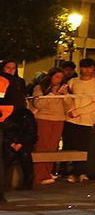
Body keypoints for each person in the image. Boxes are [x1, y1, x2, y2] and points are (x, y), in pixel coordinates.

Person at [62, 59, 95, 182]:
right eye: (84, 67)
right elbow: (66, 99)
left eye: (89, 68)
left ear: (93, 69)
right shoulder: (73, 82)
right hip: (70, 119)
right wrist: (70, 108)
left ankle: (80, 172)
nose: (86, 70)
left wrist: (77, 112)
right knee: (69, 145)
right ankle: (67, 171)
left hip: (86, 120)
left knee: (83, 147)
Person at [1, 59, 37, 197]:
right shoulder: (3, 82)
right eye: (7, 68)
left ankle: (28, 181)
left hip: (17, 121)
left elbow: (29, 131)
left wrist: (20, 142)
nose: (10, 70)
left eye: (13, 68)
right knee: (8, 155)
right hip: (5, 120)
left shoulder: (19, 82)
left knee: (24, 153)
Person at [28, 68, 69, 186]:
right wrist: (53, 93)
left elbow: (69, 106)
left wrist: (65, 96)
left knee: (53, 146)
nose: (59, 80)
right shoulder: (40, 88)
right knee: (42, 145)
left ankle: (47, 172)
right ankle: (39, 175)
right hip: (43, 118)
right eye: (56, 77)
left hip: (59, 119)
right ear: (50, 77)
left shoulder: (64, 89)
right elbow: (39, 104)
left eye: (61, 78)